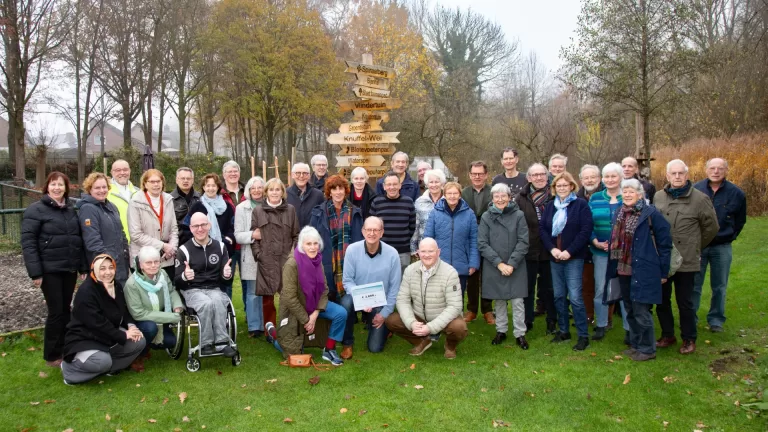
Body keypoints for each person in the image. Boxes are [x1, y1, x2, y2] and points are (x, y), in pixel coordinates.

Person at [21, 172, 87, 368]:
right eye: (53, 184)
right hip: (49, 270)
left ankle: (67, 349)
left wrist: (82, 266)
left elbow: (78, 240)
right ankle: (52, 355)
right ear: (47, 187)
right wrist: (36, 272)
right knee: (56, 312)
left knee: (66, 310)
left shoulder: (69, 210)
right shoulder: (36, 210)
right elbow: (28, 243)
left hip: (68, 269)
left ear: (66, 188)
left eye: (60, 185)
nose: (57, 188)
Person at [654, 159, 719, 355]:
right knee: (662, 300)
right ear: (667, 176)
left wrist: (695, 246)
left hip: (686, 260)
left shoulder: (699, 199)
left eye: (680, 173)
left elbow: (712, 227)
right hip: (664, 259)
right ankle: (667, 335)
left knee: (685, 302)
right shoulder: (658, 197)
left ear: (687, 175)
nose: (677, 177)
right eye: (673, 173)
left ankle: (689, 338)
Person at [607, 179, 673, 361]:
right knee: (629, 310)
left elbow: (665, 244)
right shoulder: (619, 213)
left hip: (643, 270)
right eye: (625, 191)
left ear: (640, 194)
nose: (627, 195)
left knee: (642, 311)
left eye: (631, 191)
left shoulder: (650, 214)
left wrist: (663, 272)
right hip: (623, 269)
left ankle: (647, 349)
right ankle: (636, 345)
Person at [61, 254, 146, 384]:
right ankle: (70, 371)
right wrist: (123, 335)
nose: (108, 272)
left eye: (111, 267)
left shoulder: (115, 285)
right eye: (102, 268)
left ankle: (109, 369)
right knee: (103, 361)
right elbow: (97, 323)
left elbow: (123, 309)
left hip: (108, 335)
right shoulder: (86, 292)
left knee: (139, 341)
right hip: (86, 337)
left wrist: (131, 326)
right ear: (94, 270)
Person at [273, 227, 348, 366]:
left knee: (341, 313)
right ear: (302, 245)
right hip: (295, 310)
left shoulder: (317, 260)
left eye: (315, 243)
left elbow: (324, 289)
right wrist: (306, 319)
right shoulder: (292, 263)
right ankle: (274, 337)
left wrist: (315, 314)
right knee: (291, 351)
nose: (313, 247)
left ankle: (329, 349)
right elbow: (289, 297)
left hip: (314, 306)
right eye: (308, 244)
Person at [309, 175, 363, 359]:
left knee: (346, 304)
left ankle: (347, 343)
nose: (338, 192)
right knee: (326, 304)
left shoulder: (355, 212)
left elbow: (360, 240)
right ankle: (325, 339)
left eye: (341, 189)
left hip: (348, 267)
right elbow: (311, 240)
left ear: (346, 191)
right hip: (324, 266)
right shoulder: (319, 212)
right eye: (334, 189)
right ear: (329, 191)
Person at [385, 238, 467, 359]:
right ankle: (422, 341)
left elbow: (455, 306)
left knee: (459, 328)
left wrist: (430, 327)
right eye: (423, 251)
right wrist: (411, 323)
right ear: (418, 253)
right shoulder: (410, 270)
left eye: (431, 251)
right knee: (391, 321)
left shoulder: (450, 273)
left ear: (438, 252)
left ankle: (450, 346)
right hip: (419, 316)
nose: (427, 255)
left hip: (443, 317)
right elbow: (403, 299)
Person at [540, 172, 593, 351]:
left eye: (565, 185)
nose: (562, 188)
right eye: (558, 186)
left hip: (574, 258)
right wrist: (552, 249)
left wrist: (569, 252)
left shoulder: (580, 205)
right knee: (558, 295)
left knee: (576, 297)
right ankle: (563, 331)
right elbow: (543, 231)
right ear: (554, 188)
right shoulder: (550, 207)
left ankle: (583, 335)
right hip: (555, 257)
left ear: (572, 186)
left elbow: (585, 231)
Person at [692, 158, 747, 333]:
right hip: (698, 246)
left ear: (726, 171)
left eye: (720, 168)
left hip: (721, 246)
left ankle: (716, 320)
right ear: (706, 169)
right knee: (694, 284)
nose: (716, 171)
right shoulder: (695, 189)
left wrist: (730, 235)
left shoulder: (736, 193)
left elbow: (740, 220)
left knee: (719, 285)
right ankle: (690, 317)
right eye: (712, 168)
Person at [174, 212, 236, 357]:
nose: (200, 229)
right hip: (192, 289)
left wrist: (226, 274)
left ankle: (221, 342)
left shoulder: (220, 247)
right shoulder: (183, 250)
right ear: (191, 228)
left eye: (203, 225)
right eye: (196, 226)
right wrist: (184, 276)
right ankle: (206, 343)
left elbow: (226, 281)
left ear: (209, 225)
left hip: (214, 288)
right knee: (206, 303)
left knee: (219, 300)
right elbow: (177, 281)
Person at [477, 183, 530, 349]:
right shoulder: (486, 217)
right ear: (492, 199)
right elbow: (482, 243)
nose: (500, 199)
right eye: (496, 196)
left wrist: (512, 263)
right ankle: (501, 330)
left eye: (503, 196)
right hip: (495, 265)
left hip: (516, 265)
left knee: (517, 301)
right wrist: (499, 263)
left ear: (509, 197)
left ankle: (520, 333)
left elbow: (523, 241)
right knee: (499, 300)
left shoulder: (519, 215)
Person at [342, 216, 402, 356]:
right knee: (345, 303)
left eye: (376, 230)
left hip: (380, 302)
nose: (372, 233)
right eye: (368, 229)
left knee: (374, 348)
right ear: (363, 231)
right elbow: (347, 281)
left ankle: (385, 328)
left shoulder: (392, 254)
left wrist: (384, 313)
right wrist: (360, 299)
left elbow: (394, 288)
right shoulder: (352, 250)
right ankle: (347, 343)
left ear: (382, 232)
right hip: (357, 297)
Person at [251, 178, 299, 332]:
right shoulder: (258, 211)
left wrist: (293, 256)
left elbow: (296, 235)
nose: (274, 192)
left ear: (282, 192)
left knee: (289, 296)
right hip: (267, 260)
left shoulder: (290, 209)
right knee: (268, 298)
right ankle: (269, 331)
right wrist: (259, 254)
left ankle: (288, 328)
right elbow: (254, 236)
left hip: (286, 259)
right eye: (271, 190)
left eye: (277, 189)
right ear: (266, 192)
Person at [588, 163, 628, 342]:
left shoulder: (627, 196)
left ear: (620, 177)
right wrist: (594, 240)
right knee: (600, 289)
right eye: (607, 177)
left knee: (624, 289)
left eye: (614, 176)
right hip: (601, 252)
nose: (610, 180)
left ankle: (629, 328)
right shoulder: (595, 198)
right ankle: (601, 325)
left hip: (624, 253)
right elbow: (587, 224)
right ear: (602, 179)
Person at [515, 163, 556, 334]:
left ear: (547, 176)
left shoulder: (555, 195)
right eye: (535, 175)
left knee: (550, 288)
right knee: (528, 287)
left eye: (542, 174)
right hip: (529, 249)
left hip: (551, 249)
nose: (539, 178)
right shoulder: (521, 198)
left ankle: (552, 321)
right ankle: (527, 320)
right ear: (529, 178)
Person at [124, 246, 183, 363]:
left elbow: (171, 291)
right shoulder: (132, 284)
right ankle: (139, 352)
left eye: (156, 262)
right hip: (141, 321)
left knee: (171, 342)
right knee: (151, 328)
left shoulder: (163, 274)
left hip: (160, 315)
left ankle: (152, 343)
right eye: (148, 263)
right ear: (141, 265)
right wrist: (171, 317)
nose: (153, 265)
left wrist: (177, 305)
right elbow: (139, 314)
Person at [423, 181, 479, 302]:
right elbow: (427, 238)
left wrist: (473, 263)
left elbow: (474, 240)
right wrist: (428, 261)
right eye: (449, 193)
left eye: (455, 193)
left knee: (457, 298)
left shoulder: (469, 214)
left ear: (460, 195)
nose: (452, 196)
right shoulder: (435, 213)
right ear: (445, 195)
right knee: (439, 299)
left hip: (461, 264)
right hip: (439, 264)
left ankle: (457, 320)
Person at [186, 173, 236, 296]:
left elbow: (233, 226)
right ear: (203, 187)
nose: (211, 188)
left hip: (224, 249)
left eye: (213, 185)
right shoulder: (198, 205)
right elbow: (187, 226)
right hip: (203, 250)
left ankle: (225, 310)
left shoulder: (227, 206)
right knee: (208, 282)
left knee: (226, 282)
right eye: (207, 185)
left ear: (218, 187)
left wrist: (228, 239)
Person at [78, 172, 131, 287]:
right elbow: (92, 240)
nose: (101, 190)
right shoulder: (88, 209)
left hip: (121, 262)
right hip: (104, 266)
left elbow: (121, 233)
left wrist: (126, 251)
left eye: (104, 187)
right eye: (97, 188)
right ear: (89, 189)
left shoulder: (111, 206)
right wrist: (107, 262)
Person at [128, 169, 178, 279]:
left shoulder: (169, 200)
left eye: (158, 181)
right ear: (145, 184)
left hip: (166, 258)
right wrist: (163, 246)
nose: (156, 184)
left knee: (166, 291)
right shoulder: (135, 202)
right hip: (145, 259)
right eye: (152, 182)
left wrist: (172, 248)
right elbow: (136, 235)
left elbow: (174, 229)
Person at [461, 161, 494, 324]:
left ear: (486, 175)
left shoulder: (493, 192)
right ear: (470, 175)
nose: (477, 177)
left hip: (490, 240)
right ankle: (472, 309)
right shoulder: (463, 193)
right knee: (472, 275)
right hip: (470, 240)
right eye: (474, 174)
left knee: (488, 275)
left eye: (480, 174)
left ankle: (488, 310)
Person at [234, 176, 266, 338]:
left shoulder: (271, 205)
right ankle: (255, 326)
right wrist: (253, 235)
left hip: (269, 256)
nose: (257, 191)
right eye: (253, 188)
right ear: (248, 190)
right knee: (253, 292)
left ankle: (268, 324)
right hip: (250, 255)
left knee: (267, 292)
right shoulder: (241, 208)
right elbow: (237, 235)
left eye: (260, 187)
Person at [370, 171, 416, 274]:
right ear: (384, 186)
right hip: (381, 251)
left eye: (395, 184)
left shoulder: (408, 202)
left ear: (400, 185)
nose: (392, 187)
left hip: (403, 251)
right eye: (389, 184)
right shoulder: (377, 202)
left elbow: (412, 227)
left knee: (402, 282)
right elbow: (371, 226)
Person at [578, 164, 603, 327]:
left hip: (604, 246)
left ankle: (604, 317)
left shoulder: (606, 195)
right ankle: (588, 314)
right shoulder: (577, 198)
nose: (589, 180)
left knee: (603, 285)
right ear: (581, 180)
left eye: (593, 177)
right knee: (586, 283)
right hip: (582, 247)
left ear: (599, 178)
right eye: (586, 177)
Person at [411, 169, 446, 256]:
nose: (434, 185)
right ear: (427, 184)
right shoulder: (419, 202)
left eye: (437, 182)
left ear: (442, 184)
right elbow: (416, 226)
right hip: (425, 247)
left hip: (444, 246)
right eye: (431, 182)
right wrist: (414, 248)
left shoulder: (449, 201)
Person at [107, 159, 139, 242]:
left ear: (130, 171)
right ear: (112, 172)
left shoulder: (139, 192)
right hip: (116, 243)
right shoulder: (105, 193)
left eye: (125, 170)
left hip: (138, 243)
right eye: (118, 170)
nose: (122, 173)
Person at [286, 162, 325, 228]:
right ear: (292, 175)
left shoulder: (318, 195)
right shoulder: (285, 194)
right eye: (298, 173)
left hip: (312, 236)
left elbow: (322, 218)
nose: (301, 176)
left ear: (309, 176)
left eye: (305, 173)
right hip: (291, 236)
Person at [171, 167, 200, 245]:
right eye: (182, 178)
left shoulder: (200, 198)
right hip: (178, 243)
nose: (185, 181)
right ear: (177, 180)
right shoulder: (170, 200)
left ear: (192, 180)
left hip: (199, 241)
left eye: (188, 178)